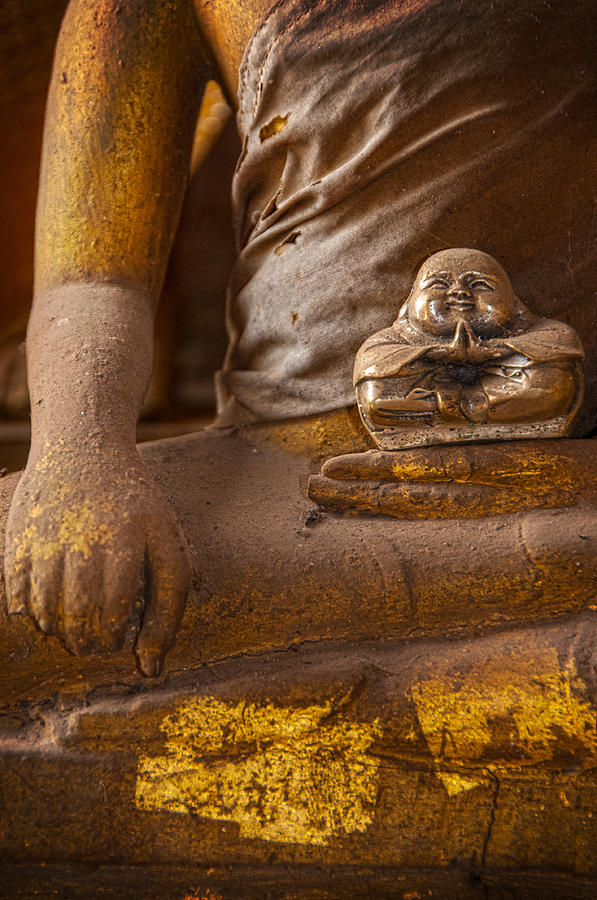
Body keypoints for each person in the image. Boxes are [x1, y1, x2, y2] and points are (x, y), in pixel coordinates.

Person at [2, 0, 595, 678]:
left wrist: (576, 473)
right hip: (293, 472)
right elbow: (95, 276)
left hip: (568, 486)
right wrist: (80, 460)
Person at [354, 248, 584, 437]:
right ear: (410, 301)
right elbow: (375, 369)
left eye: (479, 285)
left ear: (514, 302)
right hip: (433, 387)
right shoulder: (388, 341)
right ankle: (464, 407)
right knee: (378, 400)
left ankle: (464, 408)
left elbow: (560, 348)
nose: (459, 293)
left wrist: (498, 350)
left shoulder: (545, 331)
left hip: (500, 384)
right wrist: (433, 354)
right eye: (439, 284)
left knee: (553, 387)